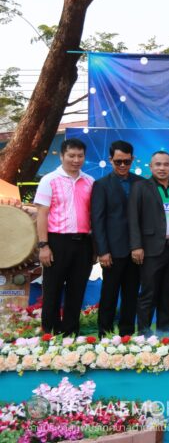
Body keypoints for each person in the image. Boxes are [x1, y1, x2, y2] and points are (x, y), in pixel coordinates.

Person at [34, 138, 95, 335]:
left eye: (80, 156)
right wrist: (43, 245)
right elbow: (42, 215)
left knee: (77, 290)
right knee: (52, 289)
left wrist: (94, 247)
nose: (76, 160)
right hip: (56, 242)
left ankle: (70, 333)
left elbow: (93, 215)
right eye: (71, 156)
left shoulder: (90, 181)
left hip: (83, 243)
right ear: (62, 156)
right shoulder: (49, 180)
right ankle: (49, 332)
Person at [91, 140, 142, 337]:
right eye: (118, 161)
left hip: (136, 250)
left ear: (132, 159)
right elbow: (98, 220)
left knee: (131, 294)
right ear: (110, 160)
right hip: (112, 251)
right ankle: (105, 334)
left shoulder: (141, 182)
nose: (122, 165)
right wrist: (102, 251)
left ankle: (127, 334)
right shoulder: (101, 185)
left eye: (126, 161)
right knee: (109, 294)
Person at [128, 152, 169, 335]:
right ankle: (144, 334)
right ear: (150, 167)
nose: (162, 168)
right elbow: (133, 218)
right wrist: (136, 246)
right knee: (148, 294)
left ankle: (164, 335)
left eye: (166, 164)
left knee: (168, 294)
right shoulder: (140, 187)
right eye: (158, 164)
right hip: (150, 250)